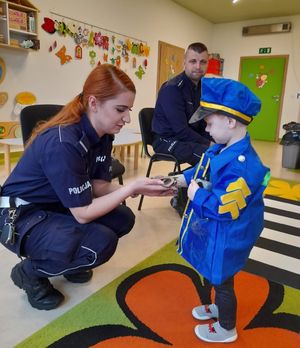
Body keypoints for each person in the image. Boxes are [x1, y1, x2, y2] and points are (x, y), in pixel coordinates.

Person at [0, 64, 175, 311]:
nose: (127, 118)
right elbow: (82, 213)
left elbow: (99, 185)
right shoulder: (63, 142)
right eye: (120, 109)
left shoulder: (102, 134)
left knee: (122, 218)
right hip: (20, 217)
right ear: (94, 103)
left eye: (129, 110)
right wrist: (129, 187)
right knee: (99, 244)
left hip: (56, 205)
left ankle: (67, 258)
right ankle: (28, 273)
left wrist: (141, 187)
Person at [173, 77, 270, 342]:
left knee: (222, 279)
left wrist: (196, 194)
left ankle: (227, 328)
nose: (206, 130)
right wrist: (180, 180)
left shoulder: (243, 165)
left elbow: (224, 208)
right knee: (216, 274)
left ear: (230, 122)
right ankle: (218, 308)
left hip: (230, 234)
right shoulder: (220, 147)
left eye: (209, 123)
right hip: (219, 230)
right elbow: (203, 169)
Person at [152, 42, 212, 166]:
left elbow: (201, 123)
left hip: (186, 138)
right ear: (184, 62)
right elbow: (181, 130)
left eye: (203, 62)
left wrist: (217, 139)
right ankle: (195, 184)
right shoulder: (172, 88)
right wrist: (210, 144)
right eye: (193, 61)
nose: (198, 66)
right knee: (212, 156)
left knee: (224, 148)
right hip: (166, 140)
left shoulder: (203, 88)